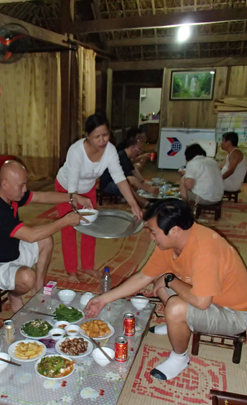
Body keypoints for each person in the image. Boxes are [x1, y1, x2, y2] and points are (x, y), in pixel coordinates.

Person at [85, 198, 247, 381]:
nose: (151, 237)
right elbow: (142, 277)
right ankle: (176, 325)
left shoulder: (205, 249)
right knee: (160, 286)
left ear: (175, 231)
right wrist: (104, 299)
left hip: (235, 313)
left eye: (154, 232)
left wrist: (170, 279)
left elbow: (202, 303)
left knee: (175, 305)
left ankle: (180, 357)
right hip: (209, 299)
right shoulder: (169, 244)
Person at [0, 160, 92, 312]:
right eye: (21, 185)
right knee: (27, 277)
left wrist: (73, 198)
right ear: (5, 184)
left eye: (25, 184)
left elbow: (42, 197)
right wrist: (65, 221)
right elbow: (30, 236)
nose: (25, 189)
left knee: (45, 240)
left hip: (11, 251)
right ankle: (15, 294)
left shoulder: (10, 195)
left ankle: (39, 289)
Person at [55, 113, 143, 283]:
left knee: (91, 227)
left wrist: (133, 203)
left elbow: (119, 177)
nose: (102, 140)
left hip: (87, 190)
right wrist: (78, 199)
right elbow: (72, 191)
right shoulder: (76, 152)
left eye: (105, 135)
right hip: (66, 188)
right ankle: (71, 270)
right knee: (69, 227)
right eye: (97, 136)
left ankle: (88, 266)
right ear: (87, 136)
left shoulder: (109, 151)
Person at [100, 137, 159, 206]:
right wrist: (148, 189)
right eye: (139, 150)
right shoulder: (121, 157)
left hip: (115, 181)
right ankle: (143, 202)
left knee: (133, 181)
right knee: (129, 183)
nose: (139, 153)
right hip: (108, 184)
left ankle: (134, 199)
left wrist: (144, 183)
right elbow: (130, 179)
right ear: (132, 148)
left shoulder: (125, 156)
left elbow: (134, 171)